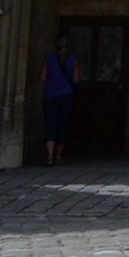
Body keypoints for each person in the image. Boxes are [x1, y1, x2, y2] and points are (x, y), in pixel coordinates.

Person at [39, 35, 80, 167]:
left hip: (49, 95)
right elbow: (76, 80)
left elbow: (42, 78)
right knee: (62, 125)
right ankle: (58, 156)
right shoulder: (73, 60)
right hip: (66, 95)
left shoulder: (48, 59)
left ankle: (49, 157)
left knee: (50, 124)